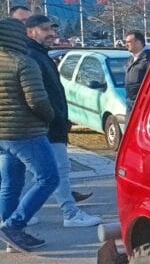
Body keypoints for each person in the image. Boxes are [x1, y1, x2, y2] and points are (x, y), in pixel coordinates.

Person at [23, 15, 101, 228]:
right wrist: (54, 118)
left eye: (52, 29)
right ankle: (70, 213)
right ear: (31, 31)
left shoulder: (40, 55)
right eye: (46, 29)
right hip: (47, 126)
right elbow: (37, 97)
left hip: (47, 124)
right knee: (59, 171)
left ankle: (21, 213)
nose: (52, 34)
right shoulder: (32, 57)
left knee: (40, 174)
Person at [0, 18, 58, 252]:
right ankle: (14, 226)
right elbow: (37, 100)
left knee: (10, 184)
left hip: (2, 135)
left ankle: (9, 230)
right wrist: (50, 117)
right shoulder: (23, 63)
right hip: (25, 132)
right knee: (49, 178)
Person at [123, 30, 150, 110]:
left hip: (141, 105)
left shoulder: (149, 60)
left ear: (138, 43)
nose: (126, 45)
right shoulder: (131, 59)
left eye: (128, 42)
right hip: (130, 103)